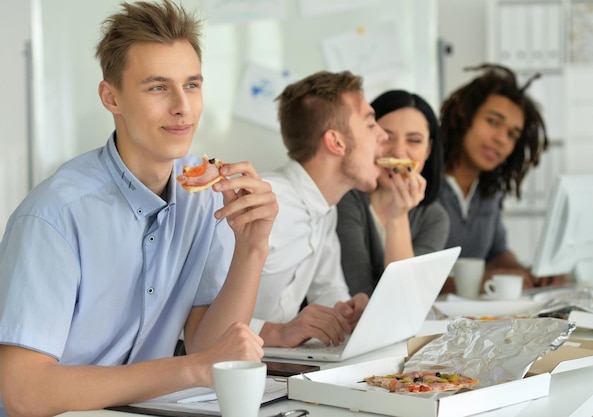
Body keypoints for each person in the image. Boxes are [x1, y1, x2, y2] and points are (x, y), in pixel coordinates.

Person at [0, 1, 278, 416]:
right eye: (158, 87)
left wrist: (252, 247)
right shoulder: (55, 215)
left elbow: (209, 346)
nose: (183, 106)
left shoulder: (202, 194)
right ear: (111, 98)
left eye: (193, 85)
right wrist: (190, 369)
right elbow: (23, 393)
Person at [250, 70, 389, 348]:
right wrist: (276, 333)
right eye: (371, 124)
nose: (384, 136)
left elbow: (327, 288)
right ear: (336, 142)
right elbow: (192, 314)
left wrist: (344, 311)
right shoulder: (261, 202)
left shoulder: (326, 209)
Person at [438, 63, 563, 289]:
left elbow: (497, 252)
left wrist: (528, 274)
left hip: (472, 318)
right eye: (493, 122)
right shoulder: (421, 184)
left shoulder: (489, 191)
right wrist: (477, 283)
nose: (501, 139)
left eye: (512, 135)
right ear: (464, 116)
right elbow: (407, 276)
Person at [336, 90, 450, 297]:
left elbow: (407, 299)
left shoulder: (434, 218)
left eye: (414, 140)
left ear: (428, 149)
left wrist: (398, 217)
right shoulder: (344, 201)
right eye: (386, 137)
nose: (398, 152)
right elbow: (361, 295)